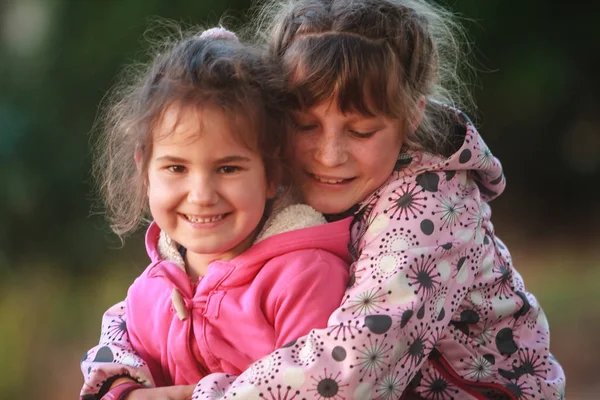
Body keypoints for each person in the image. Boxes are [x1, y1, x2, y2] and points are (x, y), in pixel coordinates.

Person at [81, 0, 567, 399]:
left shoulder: (434, 206)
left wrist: (196, 396)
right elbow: (153, 298)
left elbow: (354, 367)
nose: (328, 155)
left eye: (360, 130)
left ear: (411, 116)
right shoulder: (273, 172)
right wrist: (119, 380)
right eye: (306, 124)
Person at [79, 25, 353, 400]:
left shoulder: (305, 279)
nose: (202, 195)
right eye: (176, 168)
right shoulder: (148, 293)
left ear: (272, 174)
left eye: (228, 168)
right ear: (145, 171)